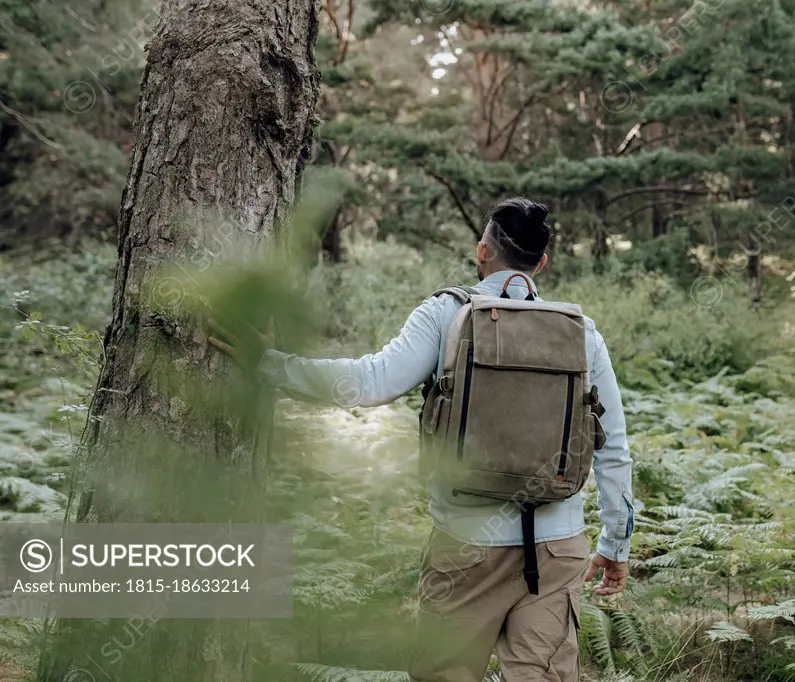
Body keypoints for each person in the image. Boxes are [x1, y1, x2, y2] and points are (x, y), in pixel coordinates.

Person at [208, 197, 633, 682]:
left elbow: (370, 382)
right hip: (557, 550)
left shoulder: (447, 314)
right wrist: (616, 544)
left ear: (482, 251)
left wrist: (272, 364)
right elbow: (612, 447)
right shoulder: (582, 334)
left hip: (466, 544)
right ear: (541, 264)